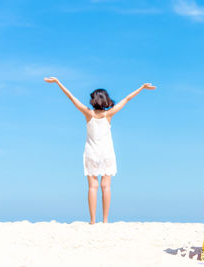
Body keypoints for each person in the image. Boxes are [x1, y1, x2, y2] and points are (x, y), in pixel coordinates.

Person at [44, 77, 156, 224]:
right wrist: (142, 87)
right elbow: (127, 99)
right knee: (106, 186)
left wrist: (58, 82)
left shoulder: (88, 114)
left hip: (91, 153)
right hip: (107, 154)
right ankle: (105, 220)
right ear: (106, 100)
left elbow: (71, 97)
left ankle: (92, 221)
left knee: (92, 186)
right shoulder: (108, 115)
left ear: (93, 100)